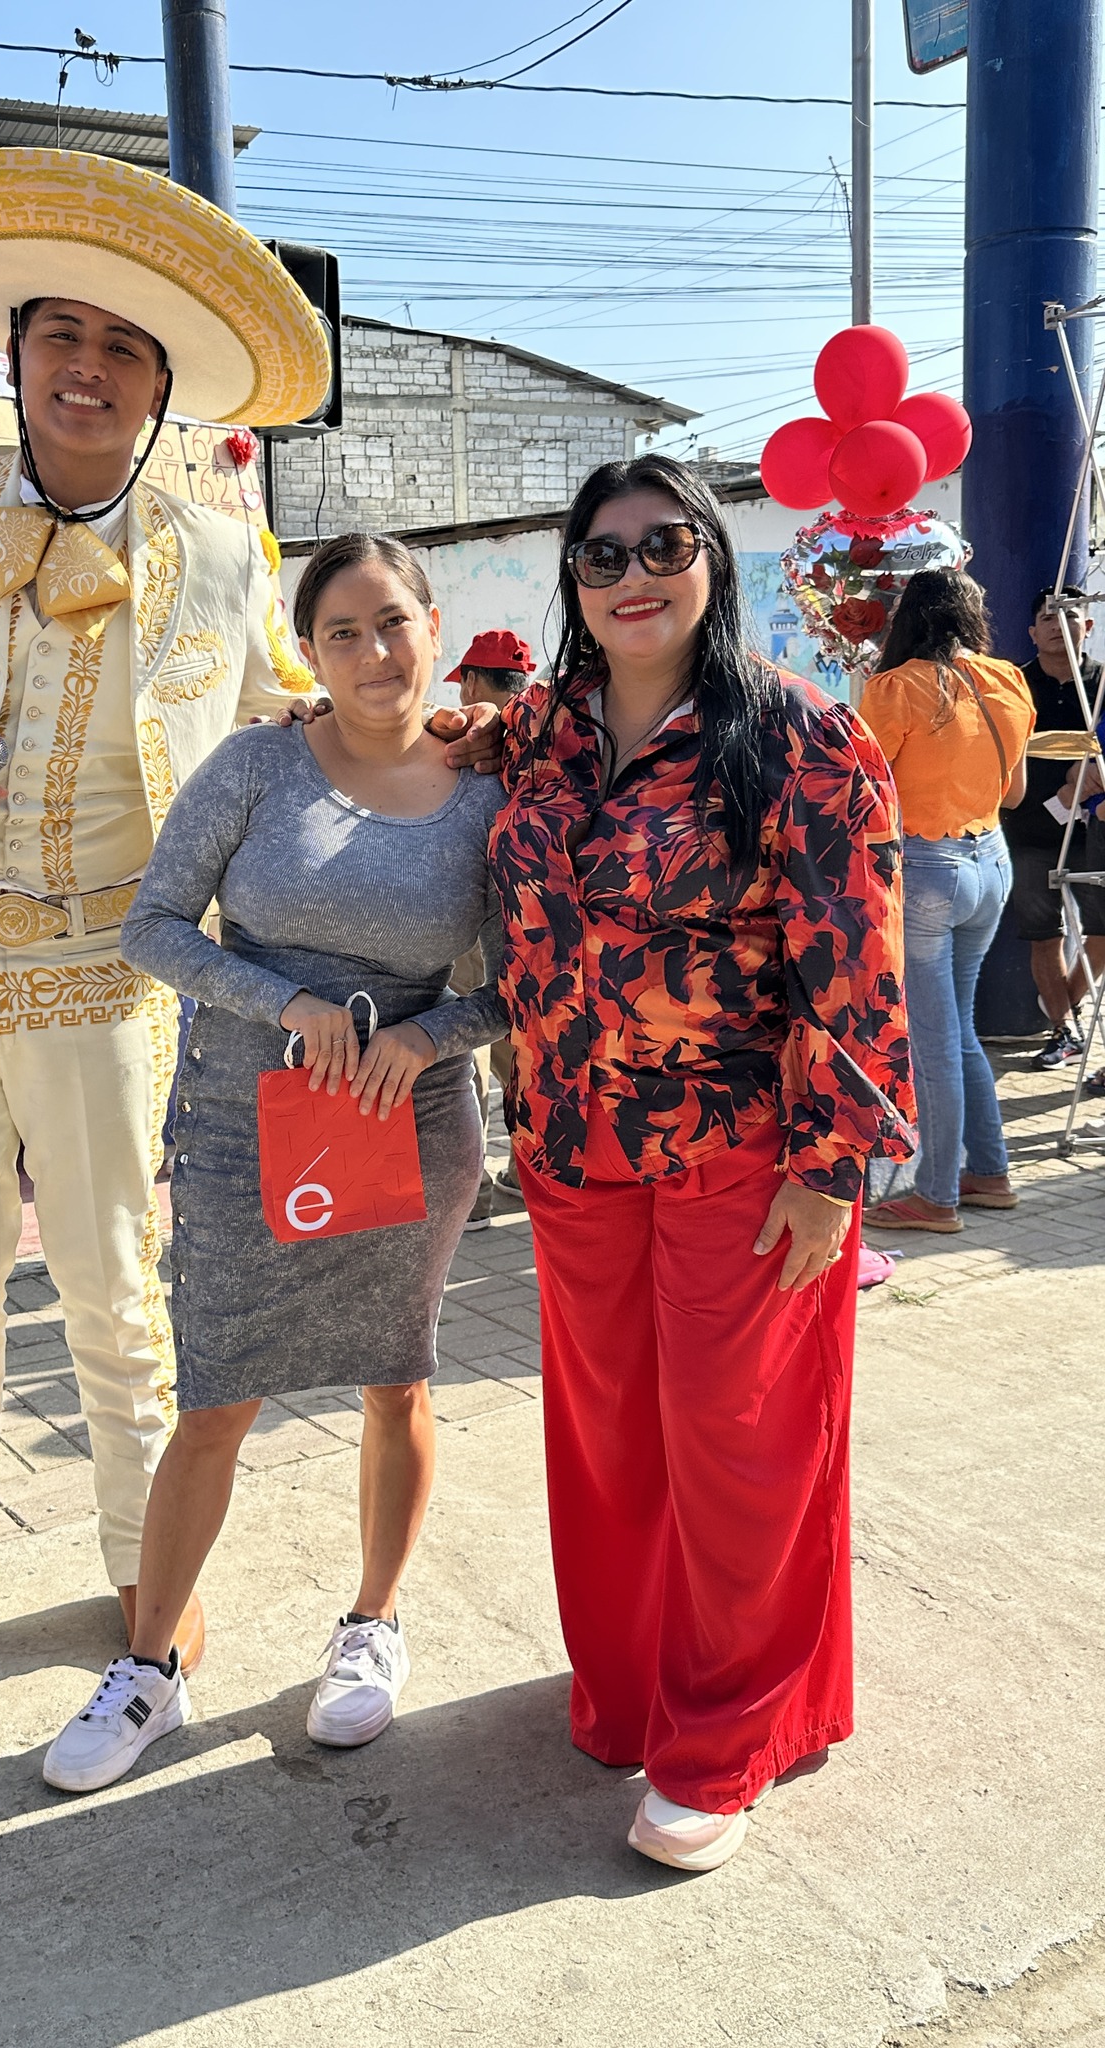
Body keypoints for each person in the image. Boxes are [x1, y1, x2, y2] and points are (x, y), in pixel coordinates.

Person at [0, 147, 498, 1713]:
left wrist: (437, 728)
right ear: (16, 354)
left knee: (117, 1291)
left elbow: (312, 712)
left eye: (123, 346)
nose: (88, 368)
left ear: (162, 387)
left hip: (111, 976)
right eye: (63, 336)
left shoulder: (224, 558)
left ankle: (144, 1575)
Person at [489, 453, 915, 1872]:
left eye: (663, 544)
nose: (633, 576)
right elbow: (434, 753)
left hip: (743, 1151)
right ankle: (632, 1689)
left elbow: (856, 957)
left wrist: (834, 1163)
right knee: (609, 1444)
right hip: (572, 1148)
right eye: (601, 554)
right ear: (573, 580)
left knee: (743, 1444)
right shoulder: (539, 730)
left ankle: (731, 1732)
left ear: (714, 559)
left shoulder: (795, 735)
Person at [40, 533, 505, 1794]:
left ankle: (373, 1621)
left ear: (434, 625)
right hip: (248, 1121)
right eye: (341, 631)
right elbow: (150, 925)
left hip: (411, 1124)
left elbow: (526, 982)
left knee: (396, 1379)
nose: (373, 651)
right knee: (217, 1395)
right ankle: (149, 1664)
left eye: (393, 621)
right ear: (307, 650)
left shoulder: (488, 795)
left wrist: (424, 1034)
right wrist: (284, 1000)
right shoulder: (256, 765)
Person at [859, 570, 1034, 1231]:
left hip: (927, 868)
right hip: (992, 860)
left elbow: (865, 791)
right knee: (958, 1029)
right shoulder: (1008, 679)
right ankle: (989, 1172)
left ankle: (936, 1196)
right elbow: (1015, 793)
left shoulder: (896, 687)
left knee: (933, 1043)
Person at [445, 631, 535, 1222]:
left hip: (468, 907)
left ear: (474, 681)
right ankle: (527, 1173)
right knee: (524, 1045)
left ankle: (472, 1194)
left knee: (465, 1047)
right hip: (533, 915)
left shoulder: (460, 738)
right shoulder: (553, 732)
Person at [1001, 587, 1105, 1070]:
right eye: (1047, 617)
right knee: (1043, 934)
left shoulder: (1102, 681)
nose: (1057, 625)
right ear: (1032, 631)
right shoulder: (1015, 684)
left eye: (1069, 616)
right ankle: (1064, 1031)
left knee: (1103, 931)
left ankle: (1064, 1004)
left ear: (1088, 626)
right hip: (1029, 830)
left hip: (1094, 829)